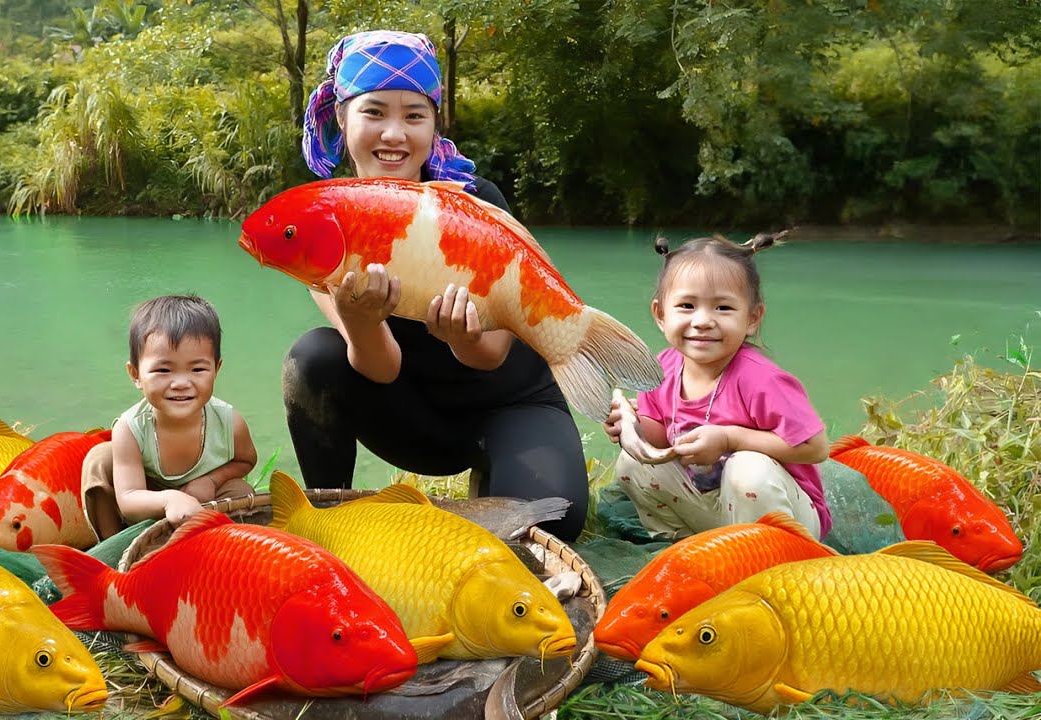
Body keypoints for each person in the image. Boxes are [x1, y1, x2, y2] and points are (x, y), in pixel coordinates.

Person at [283, 29, 589, 540]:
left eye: (414, 115)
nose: (394, 134)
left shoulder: (474, 200)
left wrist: (461, 335)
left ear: (434, 124)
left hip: (509, 403)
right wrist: (362, 323)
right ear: (341, 117)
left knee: (554, 522)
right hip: (411, 415)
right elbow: (381, 369)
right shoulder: (328, 221)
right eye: (374, 112)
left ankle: (496, 478)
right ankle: (329, 524)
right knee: (312, 358)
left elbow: (490, 355)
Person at [603, 235, 831, 540]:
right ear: (660, 314)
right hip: (714, 510)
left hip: (784, 518)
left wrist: (729, 438)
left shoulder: (759, 379)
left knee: (747, 469)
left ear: (752, 318)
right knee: (632, 462)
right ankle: (688, 545)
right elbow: (659, 441)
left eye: (723, 308)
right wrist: (630, 426)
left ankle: (766, 558)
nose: (703, 321)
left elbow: (815, 448)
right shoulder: (658, 371)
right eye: (686, 305)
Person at [82, 294, 258, 541]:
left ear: (216, 369)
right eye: (163, 370)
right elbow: (129, 498)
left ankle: (221, 551)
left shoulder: (229, 422)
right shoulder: (131, 428)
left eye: (197, 369)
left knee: (240, 491)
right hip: (149, 500)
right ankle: (116, 550)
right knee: (100, 460)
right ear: (135, 375)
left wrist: (210, 480)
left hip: (206, 501)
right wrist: (170, 498)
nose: (181, 383)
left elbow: (246, 461)